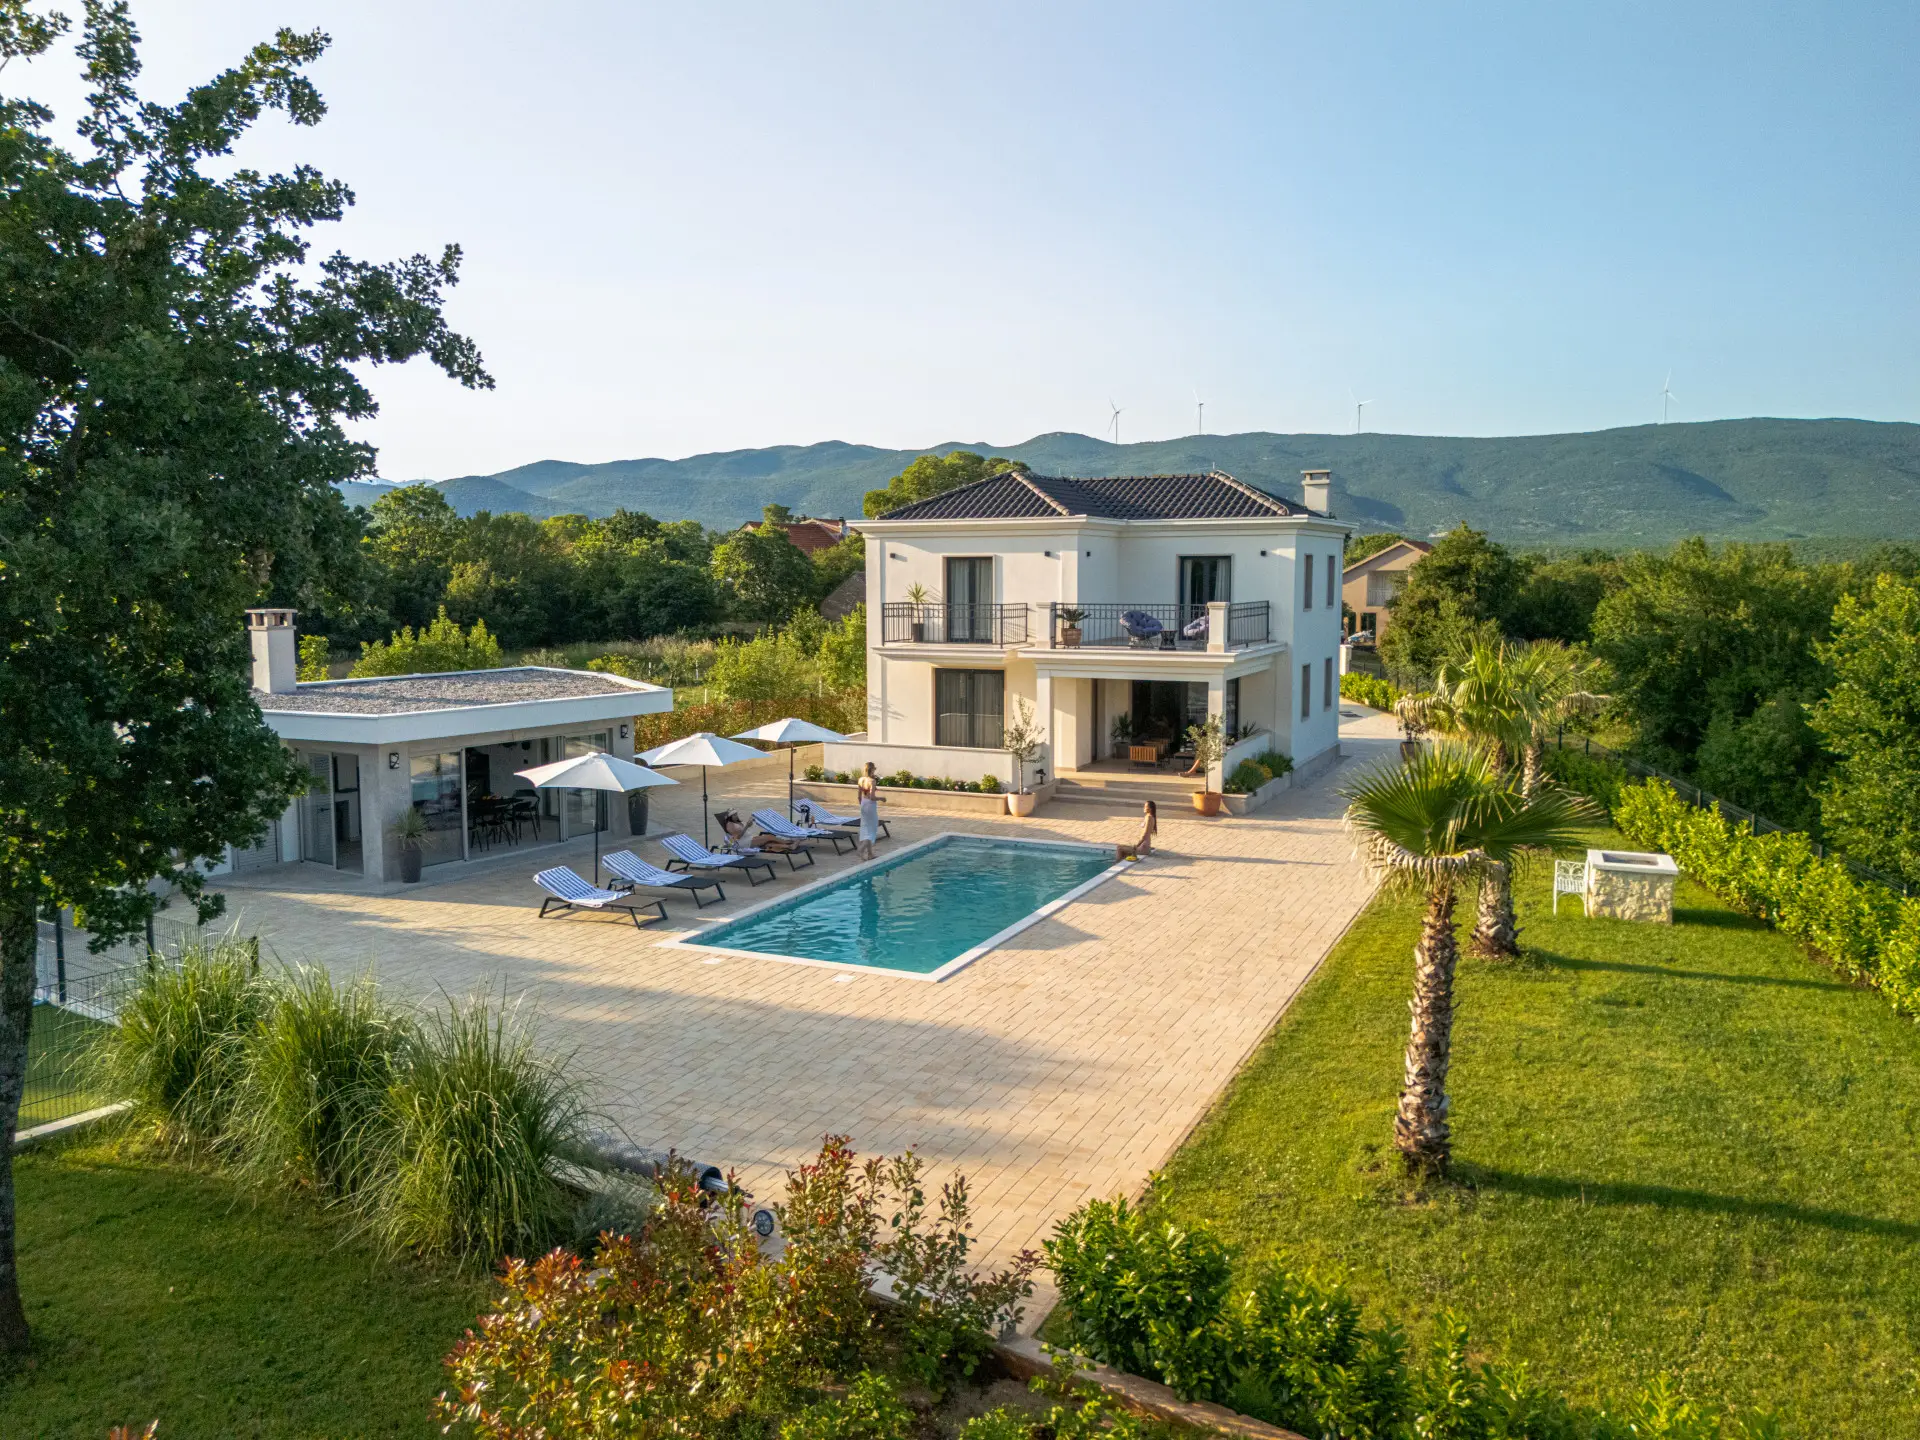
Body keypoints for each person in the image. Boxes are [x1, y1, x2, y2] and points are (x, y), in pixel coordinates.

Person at [856, 761, 885, 860]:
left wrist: (862, 805)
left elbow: (859, 796)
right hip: (870, 805)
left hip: (863, 804)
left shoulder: (861, 779)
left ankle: (870, 854)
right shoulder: (872, 781)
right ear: (872, 769)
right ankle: (861, 850)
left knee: (865, 828)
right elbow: (872, 797)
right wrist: (881, 798)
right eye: (874, 769)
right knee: (871, 830)